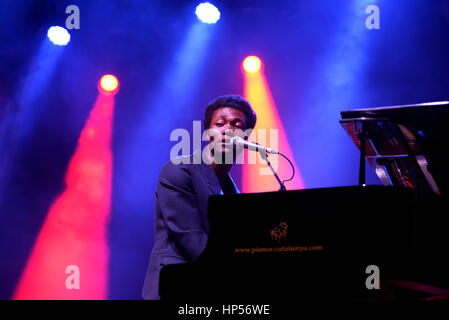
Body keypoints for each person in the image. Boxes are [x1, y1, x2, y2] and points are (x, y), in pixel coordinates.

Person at [141, 94, 257, 300]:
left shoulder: (234, 191)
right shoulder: (179, 171)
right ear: (208, 132)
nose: (227, 130)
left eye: (236, 125)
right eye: (219, 124)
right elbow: (193, 242)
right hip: (174, 288)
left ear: (246, 137)